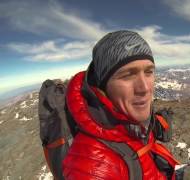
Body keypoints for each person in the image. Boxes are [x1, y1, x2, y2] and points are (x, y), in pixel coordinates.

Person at [62, 30, 179, 179]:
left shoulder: (132, 122)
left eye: (149, 72)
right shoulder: (92, 166)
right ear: (102, 87)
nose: (144, 88)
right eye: (128, 75)